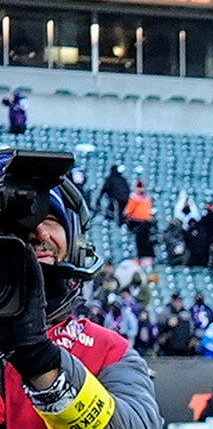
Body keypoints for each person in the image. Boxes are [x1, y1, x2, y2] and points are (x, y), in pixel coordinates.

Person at [0, 176, 162, 428]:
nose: (38, 231)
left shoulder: (108, 350)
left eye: (50, 219)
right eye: (17, 223)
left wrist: (42, 363)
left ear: (75, 241)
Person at [123, 180, 156, 268]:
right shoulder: (135, 198)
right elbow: (129, 212)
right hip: (137, 222)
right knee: (141, 241)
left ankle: (146, 259)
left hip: (144, 223)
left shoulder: (146, 198)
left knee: (145, 241)